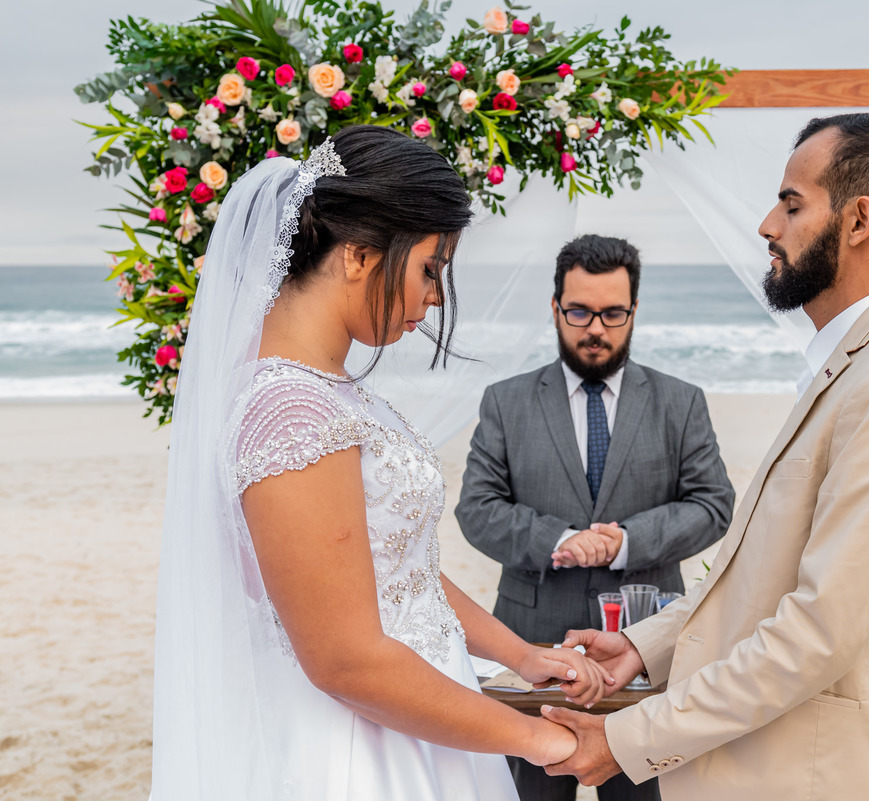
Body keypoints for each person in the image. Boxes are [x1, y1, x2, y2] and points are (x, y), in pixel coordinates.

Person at [151, 125, 612, 801]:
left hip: (419, 718)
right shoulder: (292, 412)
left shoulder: (324, 392)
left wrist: (516, 653)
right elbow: (346, 658)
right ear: (360, 255)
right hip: (361, 746)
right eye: (431, 268)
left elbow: (394, 569)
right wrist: (542, 739)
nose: (435, 299)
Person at [538, 113, 869, 801]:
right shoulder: (853, 368)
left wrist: (629, 739)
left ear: (860, 221)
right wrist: (648, 647)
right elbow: (762, 576)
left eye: (792, 203)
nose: (768, 224)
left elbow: (817, 631)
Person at [455, 234, 735, 801]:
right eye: (580, 311)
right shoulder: (505, 401)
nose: (596, 329)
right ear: (556, 308)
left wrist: (625, 542)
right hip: (530, 657)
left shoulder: (681, 401)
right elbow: (476, 510)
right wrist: (559, 539)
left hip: (645, 653)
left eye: (613, 313)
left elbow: (713, 505)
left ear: (633, 311)